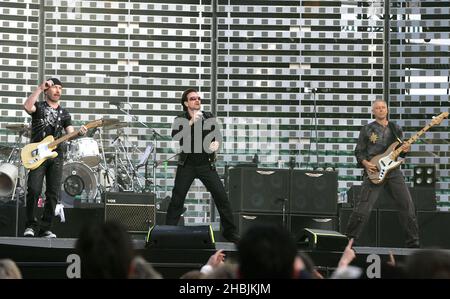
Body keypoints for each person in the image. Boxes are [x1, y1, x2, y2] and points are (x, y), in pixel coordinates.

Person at [165, 88, 239, 243]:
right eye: (193, 98)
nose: (197, 100)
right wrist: (192, 121)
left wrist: (216, 144)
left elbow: (217, 136)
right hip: (187, 165)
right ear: (186, 103)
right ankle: (168, 232)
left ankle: (230, 232)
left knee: (222, 198)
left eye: (198, 98)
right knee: (177, 200)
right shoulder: (180, 119)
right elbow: (176, 136)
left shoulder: (208, 117)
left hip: (206, 165)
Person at [346, 99, 420, 248]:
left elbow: (400, 155)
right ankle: (350, 241)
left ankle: (413, 243)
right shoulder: (367, 129)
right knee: (363, 207)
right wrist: (366, 163)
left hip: (393, 172)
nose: (381, 110)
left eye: (383, 107)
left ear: (387, 110)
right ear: (373, 111)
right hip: (374, 172)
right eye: (377, 108)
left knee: (407, 205)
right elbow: (359, 151)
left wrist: (405, 151)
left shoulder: (395, 128)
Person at [23, 78, 87, 238]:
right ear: (47, 91)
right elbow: (27, 106)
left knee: (53, 193)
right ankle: (30, 225)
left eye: (60, 88)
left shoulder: (64, 113)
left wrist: (79, 132)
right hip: (37, 154)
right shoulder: (39, 107)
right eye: (54, 87)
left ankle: (45, 228)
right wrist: (39, 88)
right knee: (34, 190)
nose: (58, 90)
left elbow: (70, 134)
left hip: (56, 156)